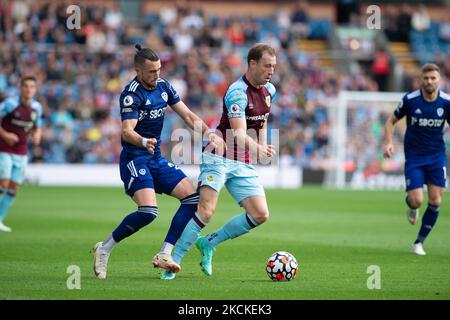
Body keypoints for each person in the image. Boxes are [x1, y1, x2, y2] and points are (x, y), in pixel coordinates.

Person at [92, 44, 224, 279]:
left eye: (159, 69)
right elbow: (126, 131)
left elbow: (187, 115)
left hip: (155, 158)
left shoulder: (163, 86)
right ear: (138, 71)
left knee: (193, 199)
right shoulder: (131, 94)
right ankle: (104, 248)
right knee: (149, 211)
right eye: (152, 71)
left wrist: (209, 133)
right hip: (135, 158)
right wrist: (143, 142)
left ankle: (165, 253)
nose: (157, 75)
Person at [157, 43, 277, 279]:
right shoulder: (237, 92)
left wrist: (262, 145)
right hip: (217, 156)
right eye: (267, 65)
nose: (271, 70)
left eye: (273, 66)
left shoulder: (270, 90)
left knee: (260, 214)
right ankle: (174, 260)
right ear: (252, 64)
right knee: (207, 210)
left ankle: (209, 243)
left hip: (241, 160)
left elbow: (261, 121)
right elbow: (239, 134)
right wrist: (259, 150)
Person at [383, 63, 450, 256]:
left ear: (439, 80)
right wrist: (388, 142)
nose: (429, 81)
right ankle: (411, 207)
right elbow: (390, 121)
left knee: (436, 200)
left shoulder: (446, 102)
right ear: (421, 80)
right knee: (416, 201)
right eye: (426, 78)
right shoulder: (410, 100)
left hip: (437, 157)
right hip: (414, 157)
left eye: (433, 78)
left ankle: (419, 242)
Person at [0, 76, 42, 232]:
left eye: (32, 86)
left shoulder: (37, 108)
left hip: (22, 152)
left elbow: (37, 126)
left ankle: (0, 219)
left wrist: (37, 134)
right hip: (4, 150)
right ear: (21, 88)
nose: (29, 89)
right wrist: (5, 135)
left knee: (13, 189)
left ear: (35, 89)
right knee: (3, 185)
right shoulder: (10, 104)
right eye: (26, 86)